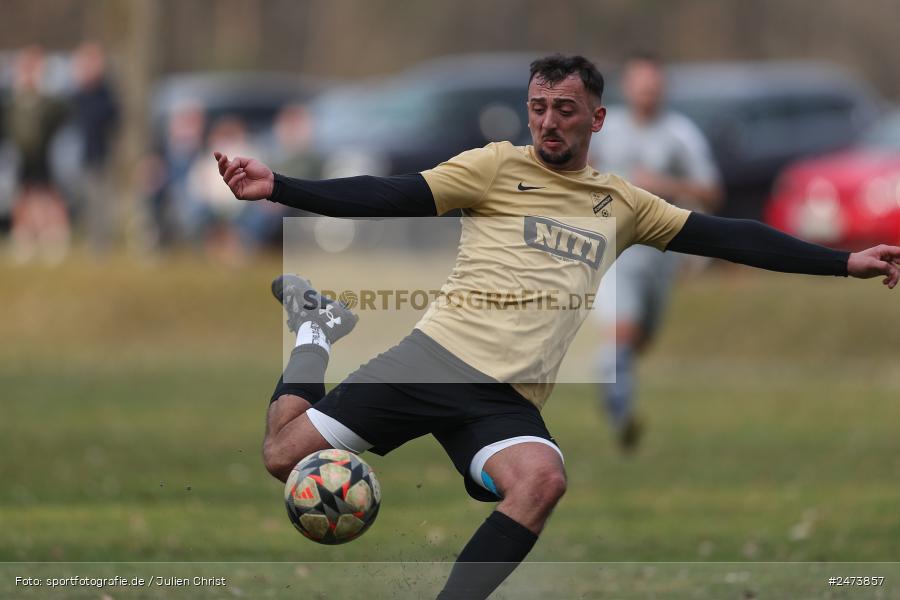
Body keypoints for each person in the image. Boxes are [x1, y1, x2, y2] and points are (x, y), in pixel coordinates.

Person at [214, 54, 899, 600]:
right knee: (283, 458)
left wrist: (845, 261)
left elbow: (731, 237)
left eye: (564, 110)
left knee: (540, 481)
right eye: (538, 108)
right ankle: (316, 330)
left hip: (505, 398)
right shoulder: (493, 167)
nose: (548, 122)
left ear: (595, 118)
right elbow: (387, 195)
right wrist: (280, 185)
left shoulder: (621, 204)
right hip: (433, 362)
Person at [590, 52, 722, 451]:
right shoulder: (605, 129)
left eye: (654, 86)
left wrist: (664, 184)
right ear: (627, 87)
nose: (647, 93)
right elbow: (576, 170)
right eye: (640, 85)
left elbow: (711, 192)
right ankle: (621, 412)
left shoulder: (680, 134)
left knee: (641, 339)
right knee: (625, 330)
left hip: (662, 254)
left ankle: (607, 372)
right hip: (615, 249)